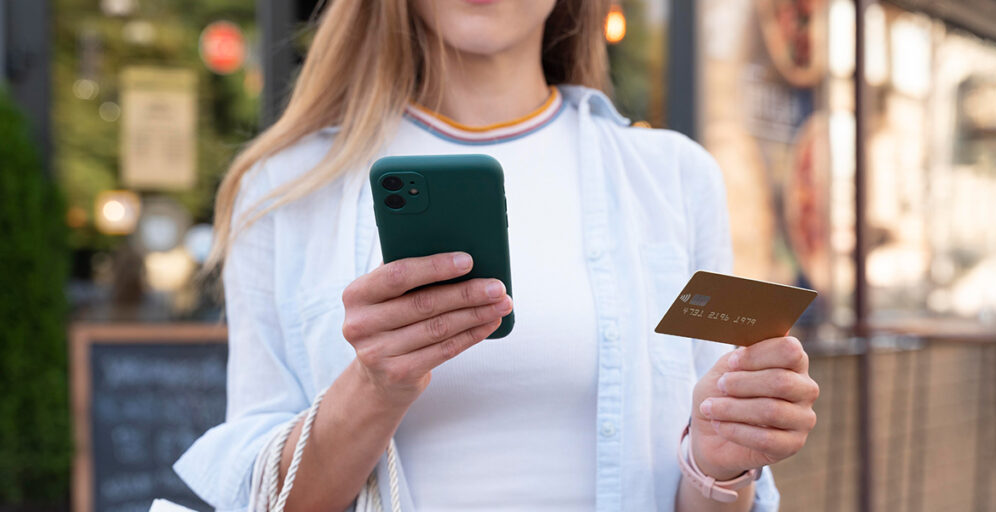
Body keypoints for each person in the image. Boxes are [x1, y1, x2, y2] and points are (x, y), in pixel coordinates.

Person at [174, 0, 820, 511]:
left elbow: (714, 496)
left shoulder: (673, 178)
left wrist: (722, 458)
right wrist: (375, 385)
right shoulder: (287, 189)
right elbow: (273, 505)